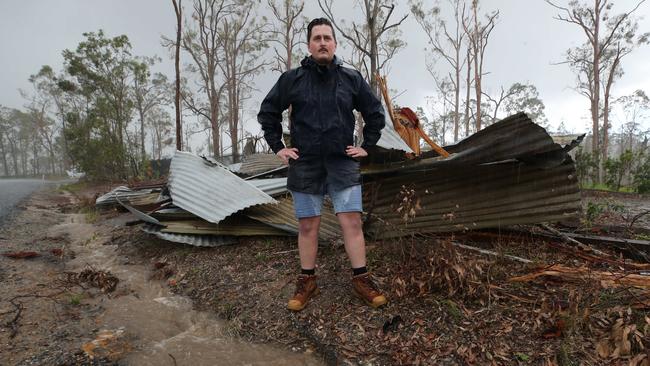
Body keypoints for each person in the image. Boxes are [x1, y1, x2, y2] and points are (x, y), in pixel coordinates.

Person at [257, 18, 387, 311]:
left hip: (342, 162)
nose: (323, 43)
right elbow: (268, 112)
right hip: (306, 164)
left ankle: (361, 278)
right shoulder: (293, 79)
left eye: (327, 37)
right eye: (317, 38)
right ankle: (307, 280)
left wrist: (367, 146)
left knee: (351, 222)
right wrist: (279, 147)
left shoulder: (350, 79)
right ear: (309, 45)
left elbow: (374, 112)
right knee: (307, 225)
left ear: (335, 44)